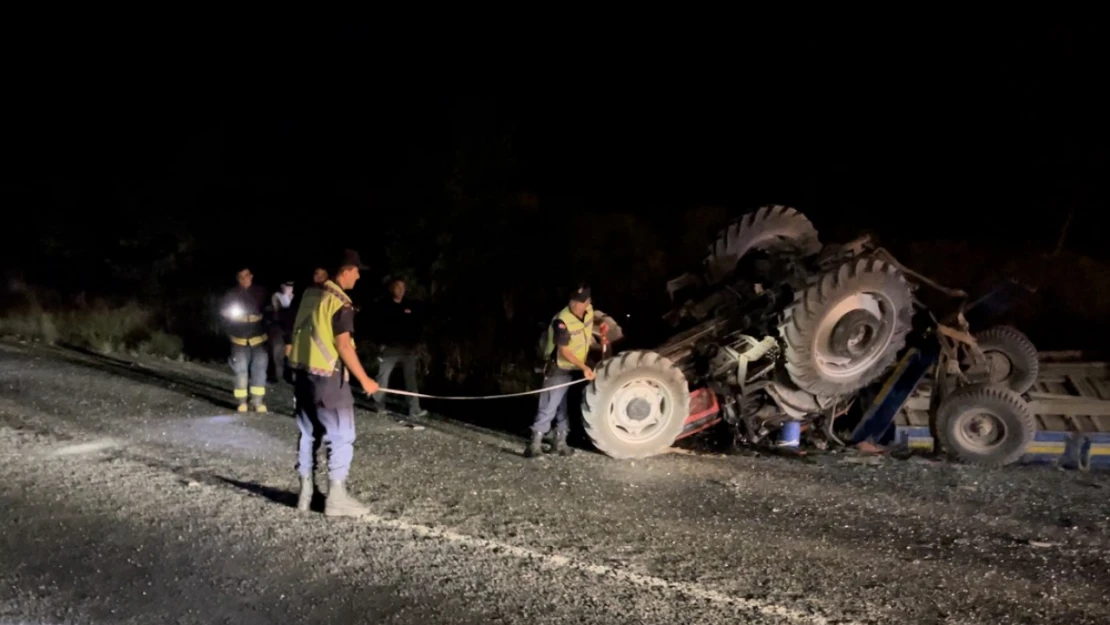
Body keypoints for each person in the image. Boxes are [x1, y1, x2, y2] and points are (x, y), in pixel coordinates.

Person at [287, 249, 380, 517]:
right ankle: (336, 499)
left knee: (308, 433)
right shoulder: (341, 302)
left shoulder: (309, 294)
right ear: (345, 270)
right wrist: (365, 380)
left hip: (302, 374)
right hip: (328, 379)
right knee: (341, 435)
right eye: (356, 270)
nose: (359, 275)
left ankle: (305, 494)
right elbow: (343, 345)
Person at [526, 283, 597, 458]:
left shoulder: (589, 313)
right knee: (549, 403)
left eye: (579, 301)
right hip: (557, 366)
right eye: (573, 300)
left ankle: (560, 441)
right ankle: (534, 443)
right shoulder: (562, 320)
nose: (575, 304)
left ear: (588, 302)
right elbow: (564, 350)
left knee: (562, 405)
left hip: (572, 367)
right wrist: (585, 367)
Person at [371, 277, 428, 424]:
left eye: (403, 287)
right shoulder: (385, 306)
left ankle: (414, 409)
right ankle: (379, 404)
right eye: (398, 287)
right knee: (383, 377)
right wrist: (380, 345)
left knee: (411, 379)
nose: (401, 290)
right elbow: (377, 326)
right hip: (389, 349)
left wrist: (416, 344)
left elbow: (416, 326)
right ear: (392, 289)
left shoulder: (409, 306)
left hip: (407, 349)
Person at [220, 267, 270, 413]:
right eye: (241, 276)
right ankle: (242, 401)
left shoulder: (261, 292)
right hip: (238, 338)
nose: (244, 278)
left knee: (259, 370)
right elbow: (223, 316)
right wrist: (229, 331)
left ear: (251, 276)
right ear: (238, 278)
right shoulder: (231, 294)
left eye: (246, 275)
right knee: (240, 370)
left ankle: (257, 401)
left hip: (258, 338)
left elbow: (269, 313)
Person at [267, 281, 295, 383]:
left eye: (290, 287)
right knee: (276, 351)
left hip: (290, 328)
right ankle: (276, 375)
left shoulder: (294, 298)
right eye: (287, 286)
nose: (288, 289)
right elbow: (277, 309)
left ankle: (288, 375)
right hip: (279, 326)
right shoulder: (277, 296)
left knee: (289, 353)